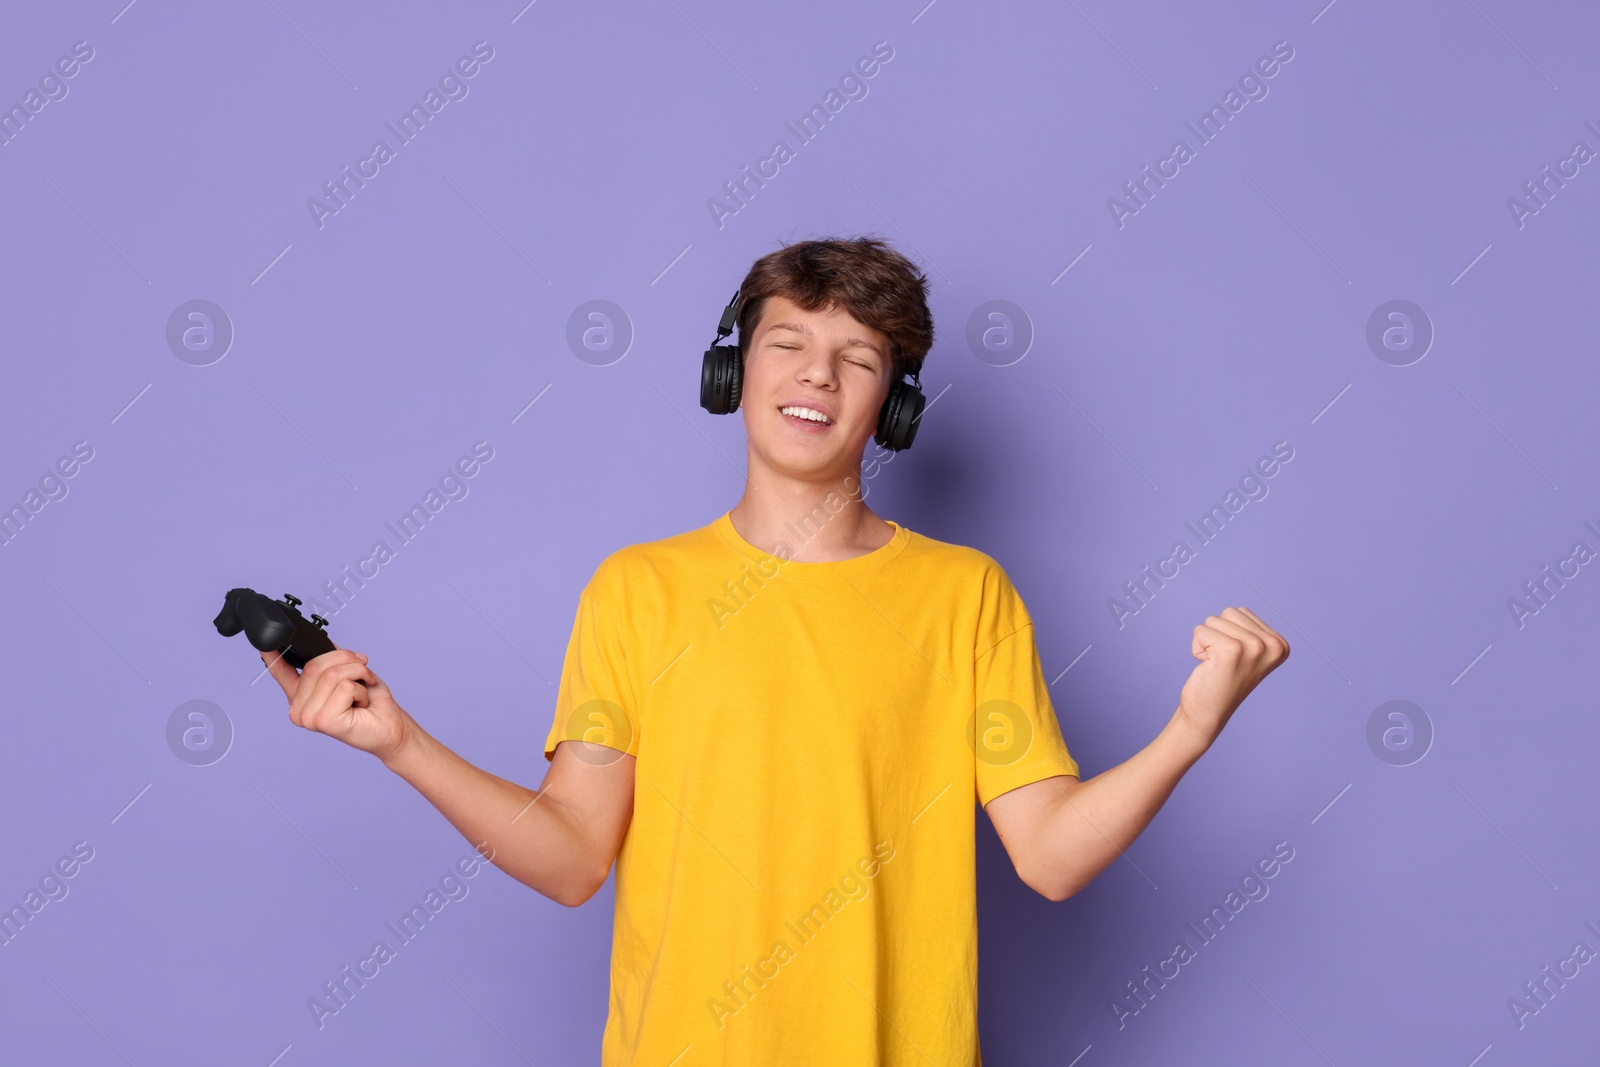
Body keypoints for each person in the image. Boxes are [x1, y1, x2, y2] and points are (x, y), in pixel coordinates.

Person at [262, 235, 1291, 1065]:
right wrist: (400, 742)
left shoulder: (965, 596)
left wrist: (1189, 729)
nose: (816, 375)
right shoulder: (637, 590)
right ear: (734, 369)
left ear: (892, 401)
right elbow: (574, 854)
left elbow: (1052, 855)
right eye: (788, 342)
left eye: (857, 357)